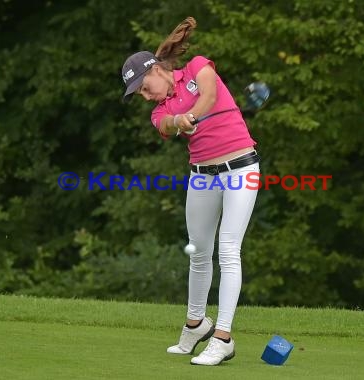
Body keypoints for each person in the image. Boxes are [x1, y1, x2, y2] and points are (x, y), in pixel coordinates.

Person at [121, 17, 260, 366]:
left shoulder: (198, 66)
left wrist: (191, 117)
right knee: (199, 251)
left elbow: (210, 95)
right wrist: (178, 121)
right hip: (202, 176)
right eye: (138, 92)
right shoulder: (160, 111)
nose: (144, 94)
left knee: (229, 248)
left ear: (155, 70)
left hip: (241, 168)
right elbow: (167, 125)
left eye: (143, 86)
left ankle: (223, 338)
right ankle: (196, 324)